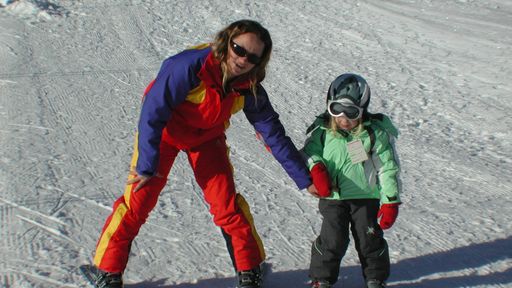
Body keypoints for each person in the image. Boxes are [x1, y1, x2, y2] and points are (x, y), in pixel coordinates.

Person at [89, 19, 315, 288]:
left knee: (226, 205)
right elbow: (152, 112)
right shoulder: (188, 67)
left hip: (207, 139)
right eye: (239, 49)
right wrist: (147, 164)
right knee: (139, 199)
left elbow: (272, 134)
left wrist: (305, 178)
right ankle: (107, 271)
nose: (243, 60)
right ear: (227, 41)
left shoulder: (249, 86)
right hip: (164, 134)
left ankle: (249, 270)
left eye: (252, 57)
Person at [302, 73, 402, 288]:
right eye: (336, 110)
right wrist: (317, 167)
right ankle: (322, 279)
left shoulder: (373, 133)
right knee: (333, 240)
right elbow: (309, 152)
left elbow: (387, 168)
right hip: (334, 197)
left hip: (366, 198)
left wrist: (390, 200)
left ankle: (375, 278)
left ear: (362, 111)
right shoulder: (322, 131)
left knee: (370, 240)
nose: (343, 119)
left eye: (351, 112)